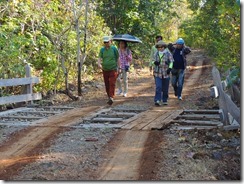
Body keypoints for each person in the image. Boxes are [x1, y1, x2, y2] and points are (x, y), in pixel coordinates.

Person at [98, 36, 120, 105]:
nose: (106, 43)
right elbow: (99, 57)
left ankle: (111, 97)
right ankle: (109, 96)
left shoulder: (114, 49)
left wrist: (119, 67)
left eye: (107, 42)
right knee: (107, 83)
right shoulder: (102, 50)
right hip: (105, 69)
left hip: (113, 68)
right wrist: (99, 64)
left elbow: (118, 58)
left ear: (110, 41)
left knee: (112, 83)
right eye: (105, 42)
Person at [153, 40, 174, 106]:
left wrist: (170, 68)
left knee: (165, 88)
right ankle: (157, 100)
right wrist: (154, 62)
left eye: (162, 47)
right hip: (157, 72)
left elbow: (171, 62)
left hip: (166, 73)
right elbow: (152, 61)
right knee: (158, 87)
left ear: (164, 47)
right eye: (159, 47)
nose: (160, 48)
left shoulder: (168, 53)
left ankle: (165, 99)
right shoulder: (156, 53)